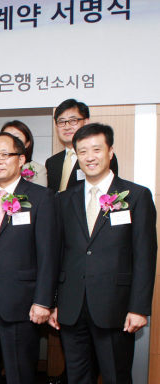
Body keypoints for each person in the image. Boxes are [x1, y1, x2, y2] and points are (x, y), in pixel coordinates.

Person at [49, 123, 157, 383]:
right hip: (71, 305)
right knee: (76, 376)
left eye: (97, 149)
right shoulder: (64, 200)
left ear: (110, 151)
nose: (89, 157)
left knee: (115, 376)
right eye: (82, 151)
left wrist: (139, 308)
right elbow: (56, 254)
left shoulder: (136, 196)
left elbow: (145, 255)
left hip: (116, 307)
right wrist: (53, 302)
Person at [0, 132, 58, 384]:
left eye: (5, 155)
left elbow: (48, 254)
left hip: (22, 303)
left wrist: (43, 301)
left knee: (19, 374)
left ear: (21, 159)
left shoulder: (41, 198)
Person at [46, 99, 118, 192]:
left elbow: (110, 192)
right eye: (61, 122)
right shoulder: (52, 162)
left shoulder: (102, 157)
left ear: (85, 122)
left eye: (73, 120)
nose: (67, 127)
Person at [1, 120, 47, 187]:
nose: (10, 141)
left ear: (27, 144)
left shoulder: (38, 169)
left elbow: (40, 195)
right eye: (6, 138)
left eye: (16, 138)